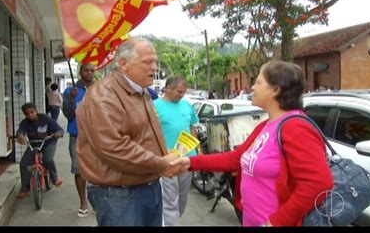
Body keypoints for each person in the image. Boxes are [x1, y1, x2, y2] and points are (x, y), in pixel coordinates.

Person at [172, 60, 334, 226]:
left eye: (258, 82)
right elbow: (235, 158)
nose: (252, 87)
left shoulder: (296, 127)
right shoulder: (267, 125)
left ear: (276, 89)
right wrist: (190, 162)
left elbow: (319, 183)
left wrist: (277, 221)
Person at [75, 38, 181, 226]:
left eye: (155, 61)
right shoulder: (104, 95)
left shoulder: (142, 92)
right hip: (120, 195)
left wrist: (165, 154)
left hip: (147, 186)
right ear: (124, 64)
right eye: (148, 62)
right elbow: (114, 148)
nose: (154, 67)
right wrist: (160, 163)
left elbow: (144, 134)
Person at [154, 75, 200, 226]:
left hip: (187, 160)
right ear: (168, 88)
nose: (182, 95)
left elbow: (192, 128)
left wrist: (198, 151)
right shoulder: (154, 106)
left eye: (184, 92)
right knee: (169, 200)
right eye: (179, 92)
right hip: (168, 161)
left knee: (182, 197)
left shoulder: (187, 105)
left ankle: (173, 220)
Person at [62, 63, 96, 217]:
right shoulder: (70, 91)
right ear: (80, 72)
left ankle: (96, 201)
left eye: (92, 70)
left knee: (98, 170)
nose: (90, 73)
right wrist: (71, 99)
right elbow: (68, 115)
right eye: (86, 70)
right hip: (77, 136)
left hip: (97, 136)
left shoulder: (100, 89)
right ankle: (83, 202)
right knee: (78, 169)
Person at [16, 103, 64, 198]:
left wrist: (58, 133)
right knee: (24, 163)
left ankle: (55, 178)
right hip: (34, 145)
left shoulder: (45, 119)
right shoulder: (25, 122)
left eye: (32, 112)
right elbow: (21, 131)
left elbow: (59, 129)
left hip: (48, 143)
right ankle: (25, 189)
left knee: (48, 159)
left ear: (36, 111)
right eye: (27, 114)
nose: (30, 115)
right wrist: (20, 136)